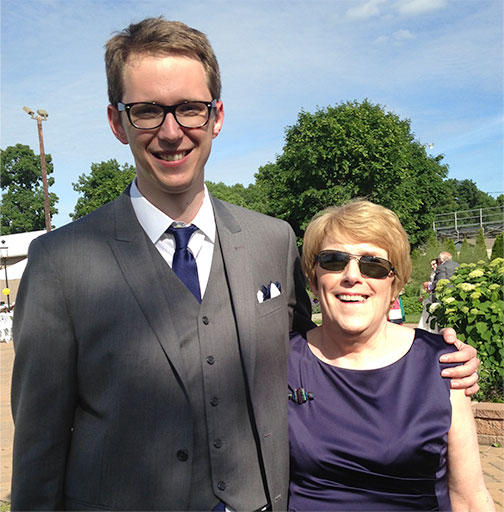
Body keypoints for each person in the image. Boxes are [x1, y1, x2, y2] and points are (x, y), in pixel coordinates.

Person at [11, 17, 479, 511]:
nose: (171, 133)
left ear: (216, 117)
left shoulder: (271, 240)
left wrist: (434, 362)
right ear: (116, 121)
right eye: (147, 111)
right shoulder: (60, 262)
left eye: (190, 109)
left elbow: (313, 351)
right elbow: (39, 445)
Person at [288, 201, 493, 511]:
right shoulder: (282, 360)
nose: (352, 276)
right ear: (314, 278)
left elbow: (469, 497)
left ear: (394, 283)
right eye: (333, 260)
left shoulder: (443, 364)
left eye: (373, 264)